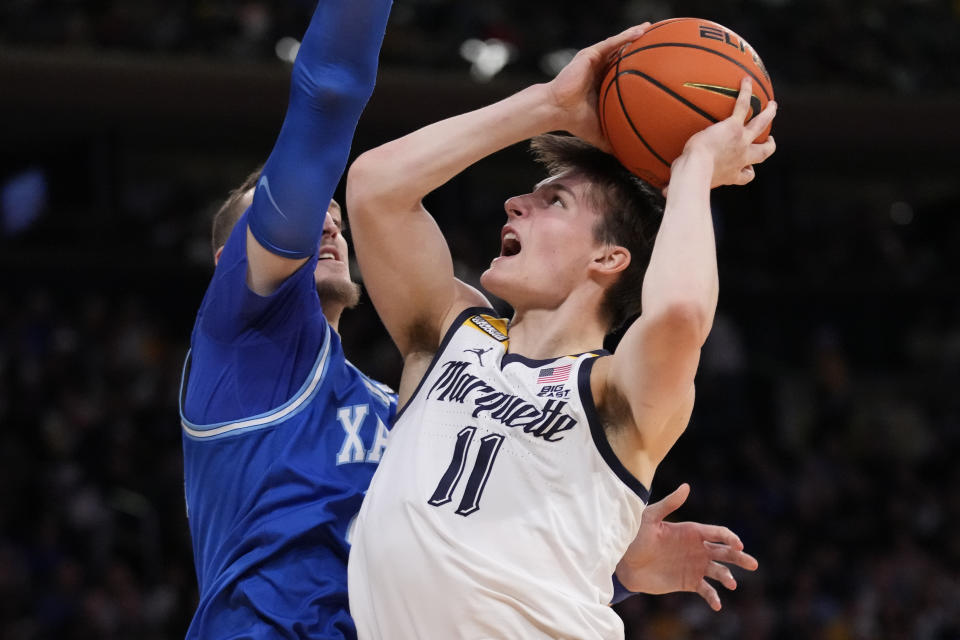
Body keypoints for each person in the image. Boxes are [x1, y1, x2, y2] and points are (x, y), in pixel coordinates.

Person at [345, 20, 777, 640]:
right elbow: (375, 189)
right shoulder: (450, 336)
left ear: (608, 258)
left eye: (554, 202)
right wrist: (547, 104)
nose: (514, 205)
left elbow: (679, 314)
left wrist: (693, 169)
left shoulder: (614, 392)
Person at [177, 0, 396, 637]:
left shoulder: (397, 404)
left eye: (334, 213)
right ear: (229, 264)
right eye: (303, 217)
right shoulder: (237, 347)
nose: (327, 220)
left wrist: (621, 571)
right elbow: (326, 95)